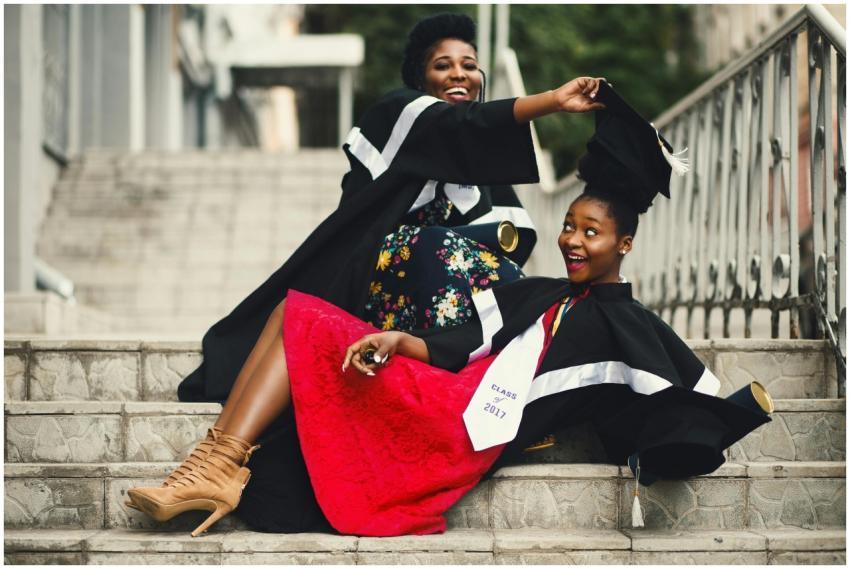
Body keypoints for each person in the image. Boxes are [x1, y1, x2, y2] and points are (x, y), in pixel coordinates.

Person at [127, 80, 772, 537]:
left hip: (458, 428)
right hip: (440, 389)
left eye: (592, 232)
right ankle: (215, 465)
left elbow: (676, 402)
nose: (572, 240)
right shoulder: (544, 292)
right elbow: (466, 340)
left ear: (623, 243)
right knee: (296, 311)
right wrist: (401, 342)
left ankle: (215, 468)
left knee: (299, 319)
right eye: (570, 225)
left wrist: (741, 413)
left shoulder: (624, 324)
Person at [149, 12, 604, 532]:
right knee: (326, 299)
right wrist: (550, 101)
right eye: (443, 65)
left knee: (520, 292)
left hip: (447, 340)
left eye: (470, 66)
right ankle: (215, 465)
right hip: (373, 308)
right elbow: (453, 133)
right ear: (421, 80)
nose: (460, 74)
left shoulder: (486, 179)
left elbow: (515, 246)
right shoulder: (400, 115)